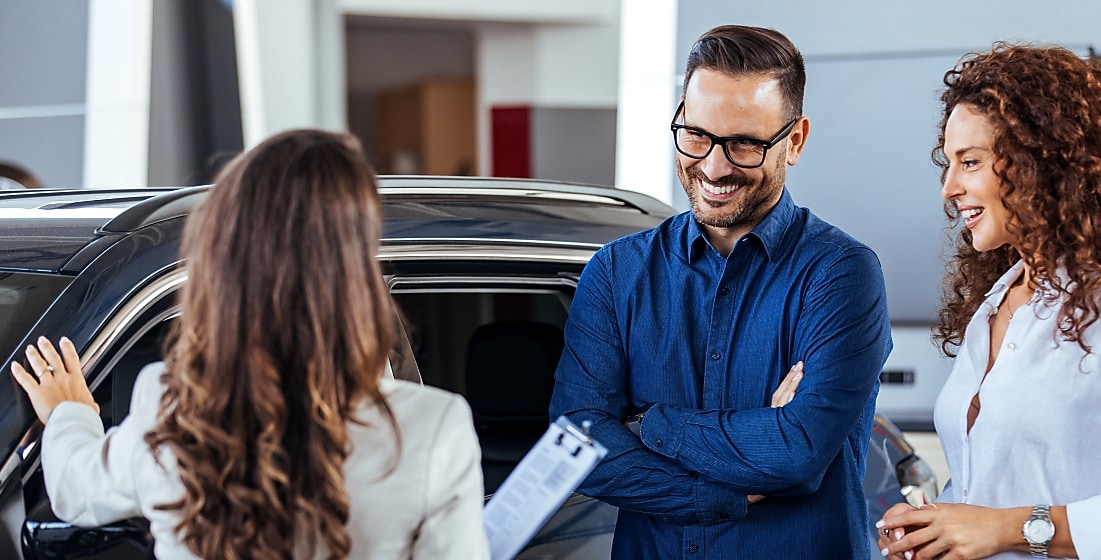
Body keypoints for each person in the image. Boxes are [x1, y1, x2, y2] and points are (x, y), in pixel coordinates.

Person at [11, 129, 488, 560]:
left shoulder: (170, 403)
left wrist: (69, 412)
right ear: (357, 272)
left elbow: (76, 490)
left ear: (225, 265)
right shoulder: (434, 429)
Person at [548, 24, 892, 559]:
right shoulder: (617, 272)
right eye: (696, 135)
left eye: (744, 144)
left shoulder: (841, 274)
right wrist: (725, 486)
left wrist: (645, 423)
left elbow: (799, 451)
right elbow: (579, 443)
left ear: (795, 141)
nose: (713, 166)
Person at [877, 44, 1101, 560]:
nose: (949, 187)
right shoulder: (994, 308)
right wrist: (936, 529)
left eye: (970, 162)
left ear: (1042, 164)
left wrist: (1008, 529)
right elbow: (988, 495)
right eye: (948, 164)